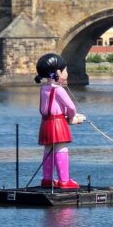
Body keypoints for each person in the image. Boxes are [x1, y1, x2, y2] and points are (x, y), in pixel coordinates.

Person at [34, 52, 85, 190]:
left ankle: (47, 180)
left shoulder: (43, 88)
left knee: (48, 149)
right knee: (61, 148)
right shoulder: (59, 90)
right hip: (57, 123)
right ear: (58, 72)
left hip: (45, 122)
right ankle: (64, 180)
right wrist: (72, 117)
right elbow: (71, 107)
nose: (67, 73)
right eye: (65, 71)